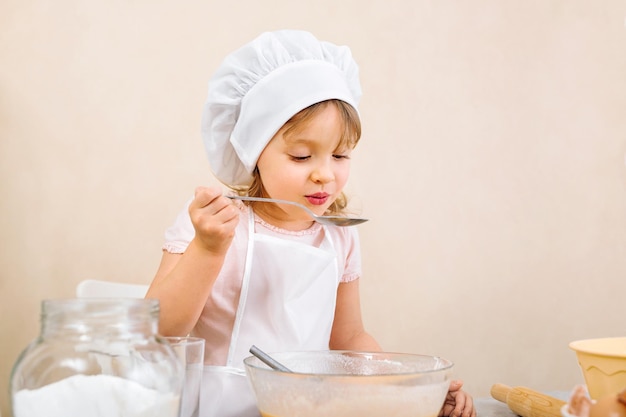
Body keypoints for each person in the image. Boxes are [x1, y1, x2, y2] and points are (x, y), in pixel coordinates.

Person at [146, 30, 476, 417]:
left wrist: (412, 391)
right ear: (254, 153)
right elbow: (160, 332)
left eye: (340, 155)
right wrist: (207, 248)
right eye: (302, 156)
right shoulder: (213, 223)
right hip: (213, 408)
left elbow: (349, 338)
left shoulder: (339, 234)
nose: (325, 175)